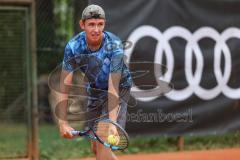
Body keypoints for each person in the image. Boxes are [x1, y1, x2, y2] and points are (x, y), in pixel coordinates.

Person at [57, 4, 132, 160]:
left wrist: (112, 123)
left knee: (103, 139)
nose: (96, 29)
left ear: (104, 24)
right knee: (96, 148)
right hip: (95, 90)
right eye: (91, 24)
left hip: (118, 89)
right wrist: (62, 122)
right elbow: (64, 86)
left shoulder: (115, 46)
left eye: (100, 24)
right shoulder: (73, 47)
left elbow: (113, 88)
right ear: (82, 24)